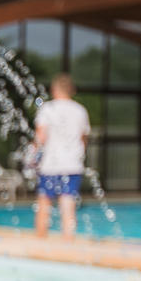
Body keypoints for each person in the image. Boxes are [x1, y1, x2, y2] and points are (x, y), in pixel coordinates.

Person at [32, 73, 91, 239]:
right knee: (68, 201)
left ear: (54, 90)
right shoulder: (80, 110)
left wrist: (32, 154)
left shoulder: (47, 109)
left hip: (50, 163)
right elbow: (83, 137)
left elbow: (41, 136)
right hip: (72, 163)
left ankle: (41, 238)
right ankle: (68, 238)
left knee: (44, 201)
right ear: (71, 90)